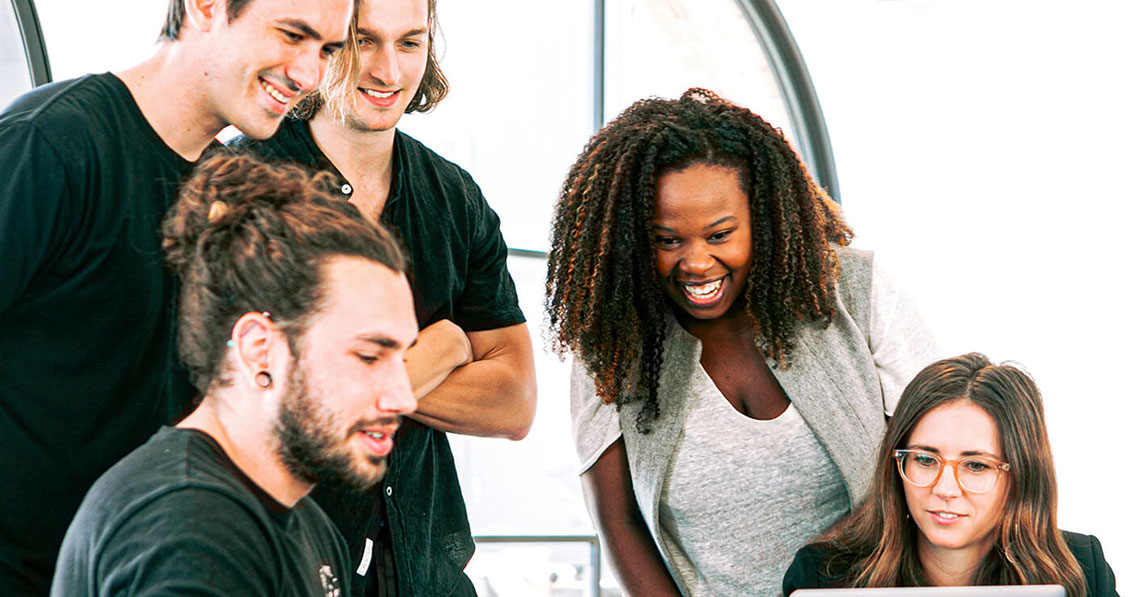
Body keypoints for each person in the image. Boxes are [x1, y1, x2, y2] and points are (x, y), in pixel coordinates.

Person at [0, 1, 352, 593]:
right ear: (205, 6)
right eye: (293, 35)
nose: (309, 74)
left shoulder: (237, 195)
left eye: (326, 50)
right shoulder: (51, 143)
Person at [547, 88, 939, 595]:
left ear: (764, 219)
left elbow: (934, 464)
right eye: (667, 240)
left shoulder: (857, 293)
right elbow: (618, 523)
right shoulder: (613, 342)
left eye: (719, 235)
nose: (695, 263)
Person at [235, 0, 538, 593]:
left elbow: (514, 402)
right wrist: (442, 348)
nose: (389, 72)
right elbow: (246, 392)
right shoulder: (242, 181)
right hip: (286, 570)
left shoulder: (454, 197)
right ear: (321, 40)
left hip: (427, 574)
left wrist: (347, 381)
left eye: (410, 42)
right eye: (363, 40)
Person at [51, 153, 418, 596]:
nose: (404, 398)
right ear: (259, 349)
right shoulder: (189, 533)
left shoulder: (305, 525)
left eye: (402, 358)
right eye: (369, 356)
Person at [782, 353, 1118, 597]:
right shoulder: (821, 575)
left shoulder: (1081, 569)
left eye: (976, 465)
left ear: (1021, 474)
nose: (945, 489)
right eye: (925, 459)